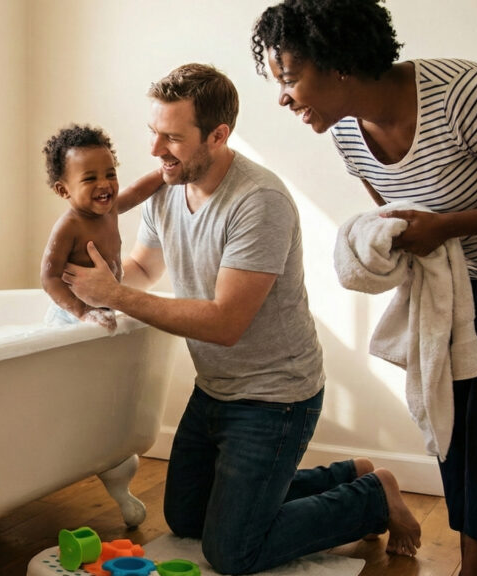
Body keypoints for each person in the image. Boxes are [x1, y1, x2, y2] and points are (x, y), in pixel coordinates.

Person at [61, 62, 422, 574]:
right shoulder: (167, 187)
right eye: (153, 133)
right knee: (187, 519)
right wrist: (93, 281)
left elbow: (225, 323)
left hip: (275, 397)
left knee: (231, 552)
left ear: (218, 134)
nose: (155, 150)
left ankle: (370, 499)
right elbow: (143, 266)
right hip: (215, 390)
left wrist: (115, 295)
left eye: (171, 137)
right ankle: (350, 475)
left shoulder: (259, 200)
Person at [251, 1, 477, 574]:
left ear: (337, 64)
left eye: (289, 78)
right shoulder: (347, 136)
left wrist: (447, 227)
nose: (283, 97)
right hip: (456, 293)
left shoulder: (462, 94)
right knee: (455, 434)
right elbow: (402, 220)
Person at [40, 123, 162, 331]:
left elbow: (135, 192)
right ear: (63, 190)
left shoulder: (110, 209)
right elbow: (49, 277)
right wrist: (81, 312)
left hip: (104, 303)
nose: (104, 184)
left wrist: (163, 174)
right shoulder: (69, 227)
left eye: (110, 174)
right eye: (90, 178)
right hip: (70, 314)